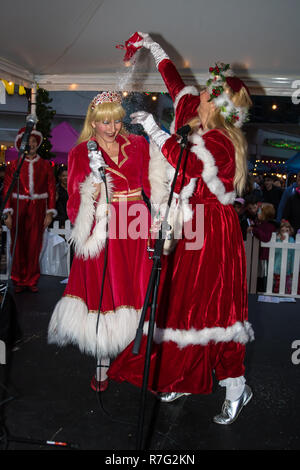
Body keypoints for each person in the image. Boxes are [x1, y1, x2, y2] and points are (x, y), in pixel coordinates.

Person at [108, 32, 254, 425]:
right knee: (179, 305)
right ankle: (181, 374)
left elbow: (188, 166)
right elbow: (173, 80)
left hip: (216, 232)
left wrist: (155, 131)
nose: (200, 94)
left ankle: (236, 387)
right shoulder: (193, 107)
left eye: (209, 93)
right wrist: (150, 46)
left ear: (218, 106)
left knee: (216, 310)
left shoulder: (223, 141)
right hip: (191, 226)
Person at [48, 91, 154, 392]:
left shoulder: (138, 144)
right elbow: (73, 201)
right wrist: (93, 189)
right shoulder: (81, 152)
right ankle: (102, 359)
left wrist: (159, 212)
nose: (112, 127)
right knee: (104, 289)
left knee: (136, 287)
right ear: (93, 122)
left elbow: (149, 184)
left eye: (116, 120)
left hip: (136, 222)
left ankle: (137, 357)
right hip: (103, 228)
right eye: (104, 122)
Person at [3, 127, 56, 292]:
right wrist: (8, 213)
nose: (31, 144)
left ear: (37, 143)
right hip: (18, 205)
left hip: (38, 207)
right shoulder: (14, 166)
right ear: (21, 144)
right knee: (18, 243)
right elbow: (7, 189)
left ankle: (31, 279)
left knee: (34, 244)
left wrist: (49, 212)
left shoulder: (45, 165)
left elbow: (52, 189)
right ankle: (18, 278)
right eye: (28, 142)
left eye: (34, 141)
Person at [249, 202, 278, 291]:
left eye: (260, 212)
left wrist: (255, 230)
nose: (258, 213)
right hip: (260, 254)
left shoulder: (270, 226)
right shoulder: (262, 223)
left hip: (266, 255)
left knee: (264, 274)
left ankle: (265, 290)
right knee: (259, 273)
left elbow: (266, 237)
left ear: (265, 215)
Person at [273, 220, 295, 294]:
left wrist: (292, 270)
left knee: (287, 287)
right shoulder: (277, 240)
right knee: (277, 286)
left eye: (287, 230)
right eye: (282, 231)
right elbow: (275, 252)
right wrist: (280, 241)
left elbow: (293, 256)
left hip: (288, 269)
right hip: (278, 268)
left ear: (290, 231)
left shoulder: (292, 240)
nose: (285, 232)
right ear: (279, 232)